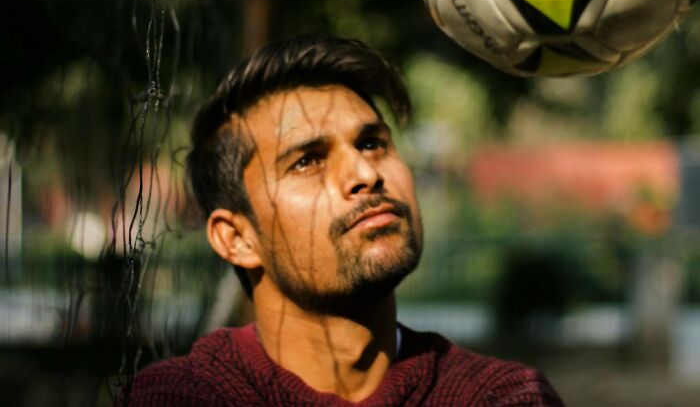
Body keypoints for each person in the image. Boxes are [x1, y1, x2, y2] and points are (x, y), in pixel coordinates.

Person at [124, 35, 564, 406]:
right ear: (237, 237)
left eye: (372, 144)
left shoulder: (505, 399)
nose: (365, 175)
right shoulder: (179, 398)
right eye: (307, 161)